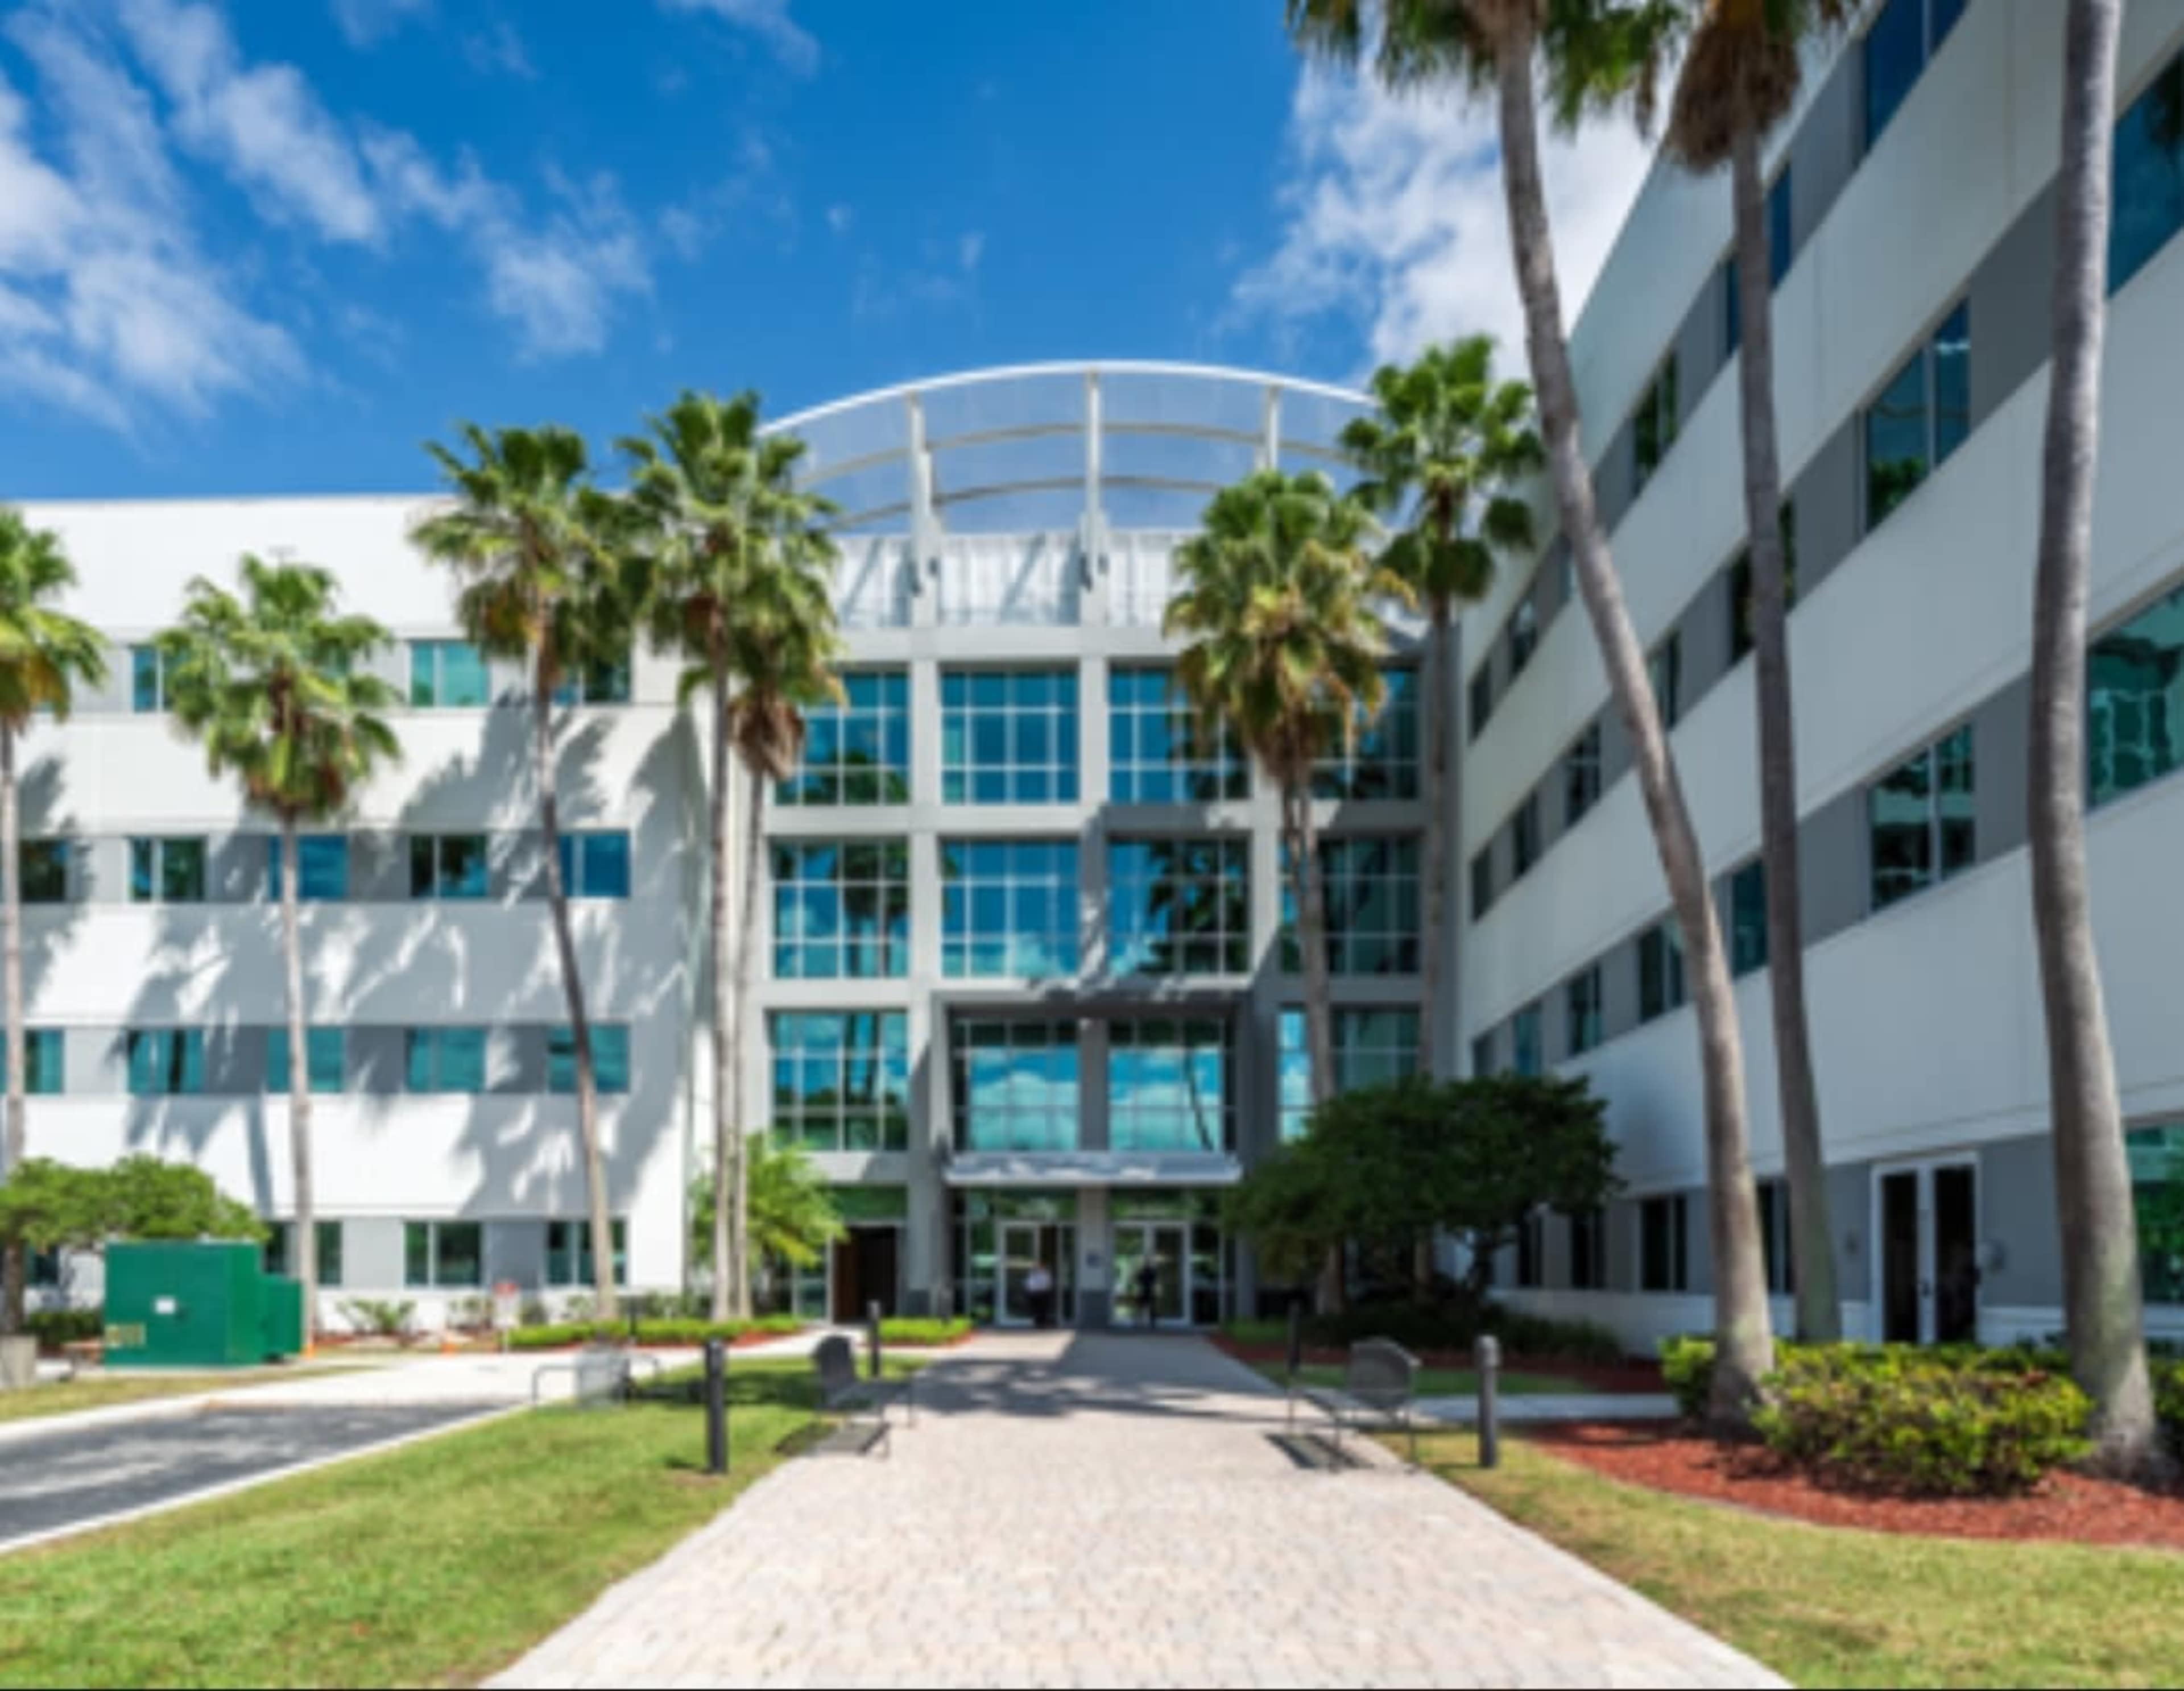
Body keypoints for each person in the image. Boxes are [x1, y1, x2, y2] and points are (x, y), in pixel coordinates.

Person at [1132, 1255, 1159, 1331]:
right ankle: (1152, 1323)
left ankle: (1138, 1322)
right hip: (1149, 1291)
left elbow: (1137, 1280)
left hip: (1144, 1291)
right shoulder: (1152, 1271)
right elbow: (1155, 1280)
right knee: (1150, 1308)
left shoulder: (1142, 1271)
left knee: (1141, 1307)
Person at [1024, 1259, 1054, 1329]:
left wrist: (1046, 1290)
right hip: (1034, 1293)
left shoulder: (1045, 1274)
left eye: (1040, 1266)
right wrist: (1029, 1290)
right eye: (1038, 1266)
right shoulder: (1033, 1274)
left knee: (1043, 1309)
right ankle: (1037, 1323)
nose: (1039, 1267)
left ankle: (1042, 1323)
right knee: (1036, 1309)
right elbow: (1029, 1283)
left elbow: (1048, 1283)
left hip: (1043, 1293)